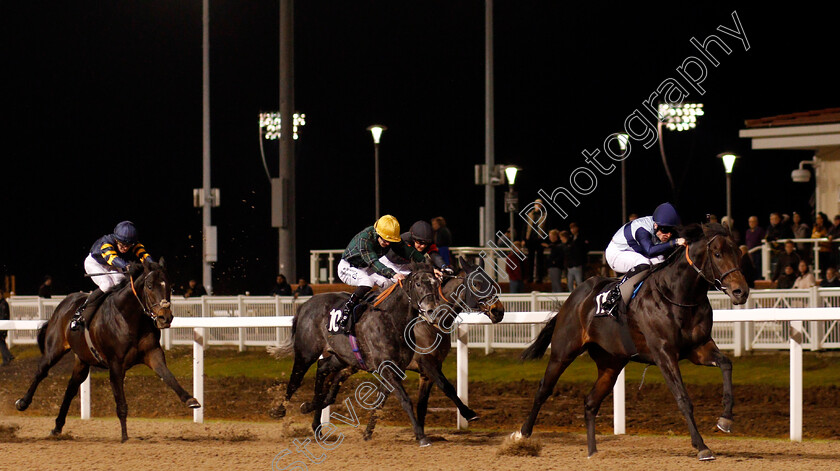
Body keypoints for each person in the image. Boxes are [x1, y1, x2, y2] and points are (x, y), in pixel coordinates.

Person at [336, 215, 426, 334]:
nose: (387, 243)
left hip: (366, 267)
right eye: (384, 240)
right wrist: (393, 273)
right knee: (367, 282)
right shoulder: (364, 239)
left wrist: (428, 265)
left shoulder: (388, 237)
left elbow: (410, 252)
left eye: (390, 241)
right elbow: (374, 263)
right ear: (377, 233)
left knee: (390, 283)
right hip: (348, 267)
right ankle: (346, 311)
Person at [600, 202, 686, 317]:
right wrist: (674, 242)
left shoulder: (659, 224)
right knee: (644, 263)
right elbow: (650, 251)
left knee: (662, 263)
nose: (669, 235)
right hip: (616, 253)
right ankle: (614, 297)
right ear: (655, 225)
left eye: (671, 231)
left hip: (634, 251)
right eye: (665, 230)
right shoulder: (642, 229)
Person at [70, 221, 154, 331]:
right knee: (107, 284)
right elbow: (112, 259)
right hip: (95, 263)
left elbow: (143, 255)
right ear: (116, 239)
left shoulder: (132, 242)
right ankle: (79, 313)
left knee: (123, 283)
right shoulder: (106, 243)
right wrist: (127, 266)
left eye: (128, 246)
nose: (125, 248)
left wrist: (153, 265)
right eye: (122, 245)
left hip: (111, 264)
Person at [381, 220, 453, 276]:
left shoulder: (427, 241)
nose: (423, 246)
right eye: (420, 243)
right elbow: (415, 257)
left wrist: (443, 266)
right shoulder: (405, 239)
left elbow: (434, 255)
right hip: (389, 263)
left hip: (406, 266)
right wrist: (431, 269)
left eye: (426, 244)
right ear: (413, 238)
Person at [523, 200, 547, 283]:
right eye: (536, 204)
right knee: (530, 260)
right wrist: (524, 239)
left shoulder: (544, 215)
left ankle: (539, 278)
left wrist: (546, 240)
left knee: (540, 260)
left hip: (540, 240)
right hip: (530, 239)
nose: (537, 205)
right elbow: (525, 227)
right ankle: (530, 277)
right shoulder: (530, 214)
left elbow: (547, 227)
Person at [566, 222, 589, 291]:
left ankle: (581, 295)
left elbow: (584, 249)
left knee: (579, 281)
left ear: (577, 228)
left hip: (578, 264)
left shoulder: (581, 238)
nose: (572, 230)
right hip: (570, 264)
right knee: (569, 282)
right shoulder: (570, 238)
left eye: (573, 228)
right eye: (571, 228)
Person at [0, 287, 13, 366]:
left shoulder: (3, 304)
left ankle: (9, 356)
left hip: (3, 326)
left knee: (1, 342)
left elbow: (3, 316)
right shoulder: (2, 303)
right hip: (2, 326)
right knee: (2, 342)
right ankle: (5, 360)